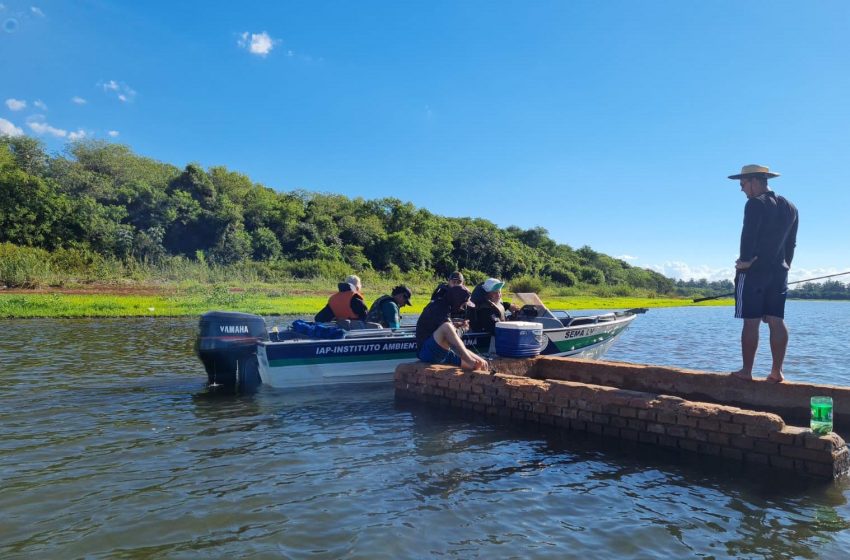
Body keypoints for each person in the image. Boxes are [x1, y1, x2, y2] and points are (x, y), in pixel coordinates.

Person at [727, 164, 799, 383]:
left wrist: (745, 262)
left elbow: (748, 235)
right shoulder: (790, 206)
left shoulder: (754, 204)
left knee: (751, 321)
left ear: (755, 181)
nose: (741, 190)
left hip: (754, 272)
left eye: (742, 184)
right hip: (779, 272)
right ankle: (777, 372)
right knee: (777, 320)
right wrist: (786, 265)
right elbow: (791, 244)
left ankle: (746, 372)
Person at [416, 284, 488, 370]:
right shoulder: (438, 307)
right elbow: (451, 335)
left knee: (481, 363)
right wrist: (463, 329)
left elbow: (451, 337)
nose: (463, 308)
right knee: (447, 326)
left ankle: (473, 362)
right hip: (427, 352)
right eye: (463, 305)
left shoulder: (445, 306)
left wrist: (479, 359)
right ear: (457, 300)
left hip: (442, 351)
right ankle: (469, 360)